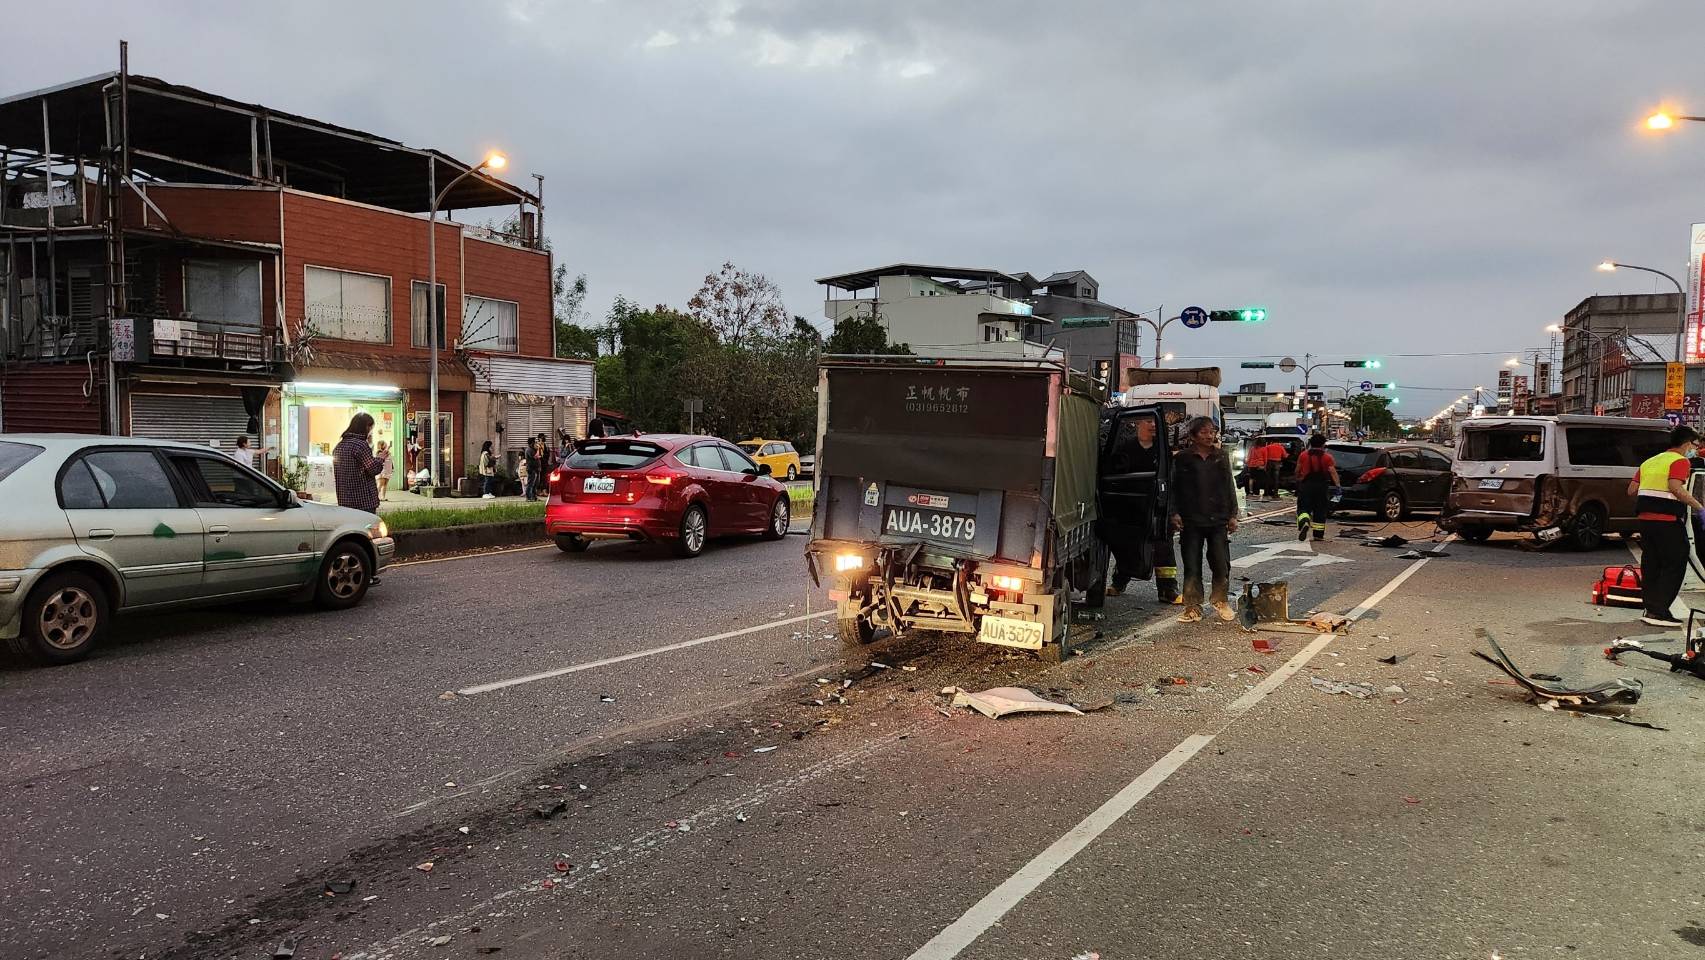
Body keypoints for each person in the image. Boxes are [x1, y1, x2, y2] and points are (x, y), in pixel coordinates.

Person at [1629, 425, 1703, 628]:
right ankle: (1659, 611)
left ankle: (1651, 608)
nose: (1695, 450)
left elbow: (1631, 489)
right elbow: (1675, 487)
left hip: (1645, 520)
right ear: (1688, 443)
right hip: (1667, 520)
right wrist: (1699, 508)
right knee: (1675, 561)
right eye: (1695, 445)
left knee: (1652, 563)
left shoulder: (1650, 461)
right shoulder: (1680, 461)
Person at [1169, 417, 1239, 623]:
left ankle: (1220, 600)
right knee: (1192, 565)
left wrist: (1233, 515)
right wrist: (1174, 513)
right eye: (1205, 432)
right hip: (1190, 520)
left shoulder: (1221, 457)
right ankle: (1192, 606)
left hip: (1218, 519)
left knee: (1220, 563)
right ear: (1193, 436)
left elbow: (1229, 487)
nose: (1210, 436)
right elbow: (1173, 488)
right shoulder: (1182, 458)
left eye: (1212, 432)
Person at [332, 412, 383, 514]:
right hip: (363, 501)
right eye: (370, 428)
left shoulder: (339, 446)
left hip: (344, 500)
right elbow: (373, 469)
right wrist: (380, 459)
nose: (370, 431)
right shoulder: (361, 445)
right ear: (366, 427)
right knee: (366, 528)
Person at [1294, 434, 1341, 542]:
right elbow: (1332, 472)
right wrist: (1338, 486)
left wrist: (1297, 480)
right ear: (1323, 444)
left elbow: (1297, 470)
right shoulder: (1328, 457)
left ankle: (1305, 521)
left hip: (1306, 485)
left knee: (1303, 508)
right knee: (1320, 511)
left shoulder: (1303, 455)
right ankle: (1318, 535)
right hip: (1322, 486)